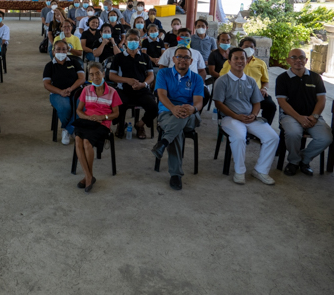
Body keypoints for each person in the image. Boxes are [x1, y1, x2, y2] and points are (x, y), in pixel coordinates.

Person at [213, 47, 279, 185]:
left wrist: (254, 115)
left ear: (247, 60)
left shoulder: (250, 81)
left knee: (272, 137)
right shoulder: (222, 80)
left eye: (242, 58)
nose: (239, 61)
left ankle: (261, 170)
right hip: (230, 118)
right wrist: (236, 116)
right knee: (239, 136)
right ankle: (239, 171)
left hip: (250, 118)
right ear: (229, 61)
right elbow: (218, 104)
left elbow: (257, 102)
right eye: (235, 58)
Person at [275, 48, 333, 176]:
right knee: (294, 133)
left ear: (306, 60)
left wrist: (315, 116)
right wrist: (299, 118)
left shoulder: (315, 77)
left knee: (326, 138)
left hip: (313, 116)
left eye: (301, 57)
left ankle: (304, 159)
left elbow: (321, 99)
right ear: (288, 60)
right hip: (290, 116)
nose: (298, 60)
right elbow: (282, 102)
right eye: (294, 57)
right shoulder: (282, 78)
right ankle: (293, 162)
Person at [152, 47, 204, 191]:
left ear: (191, 61)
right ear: (173, 59)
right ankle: (176, 175)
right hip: (167, 114)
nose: (182, 60)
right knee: (177, 130)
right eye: (179, 57)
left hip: (190, 116)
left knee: (183, 116)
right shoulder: (163, 73)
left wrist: (193, 109)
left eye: (186, 57)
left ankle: (164, 142)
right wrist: (173, 108)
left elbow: (199, 101)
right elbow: (161, 95)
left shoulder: (196, 78)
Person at [73, 62, 122, 192]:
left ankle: (88, 176)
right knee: (78, 140)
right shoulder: (86, 90)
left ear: (103, 73)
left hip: (102, 124)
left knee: (87, 142)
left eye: (97, 73)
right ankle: (89, 176)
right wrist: (87, 117)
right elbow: (79, 110)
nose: (95, 77)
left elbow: (116, 113)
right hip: (87, 121)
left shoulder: (112, 92)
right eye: (91, 74)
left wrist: (103, 117)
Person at [107, 29, 157, 139]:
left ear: (139, 42)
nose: (133, 42)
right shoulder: (119, 57)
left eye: (135, 39)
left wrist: (143, 84)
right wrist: (127, 80)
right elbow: (112, 76)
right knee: (117, 105)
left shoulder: (145, 57)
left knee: (154, 106)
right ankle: (121, 124)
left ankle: (139, 125)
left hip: (142, 90)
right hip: (123, 89)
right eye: (130, 40)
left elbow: (151, 75)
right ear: (125, 42)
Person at [219, 36, 276, 125]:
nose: (249, 49)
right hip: (236, 93)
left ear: (255, 49)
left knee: (271, 106)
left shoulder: (261, 63)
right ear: (241, 48)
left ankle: (262, 126)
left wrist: (264, 89)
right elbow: (222, 77)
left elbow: (265, 81)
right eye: (246, 47)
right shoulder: (231, 62)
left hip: (256, 93)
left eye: (251, 47)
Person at [43, 40, 86, 145]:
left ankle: (67, 129)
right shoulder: (49, 66)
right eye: (58, 49)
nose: (61, 51)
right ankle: (72, 128)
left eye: (64, 49)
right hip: (57, 93)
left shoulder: (74, 62)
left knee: (83, 106)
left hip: (76, 90)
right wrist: (60, 91)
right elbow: (47, 84)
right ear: (53, 51)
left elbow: (82, 78)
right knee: (65, 108)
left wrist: (71, 88)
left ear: (67, 51)